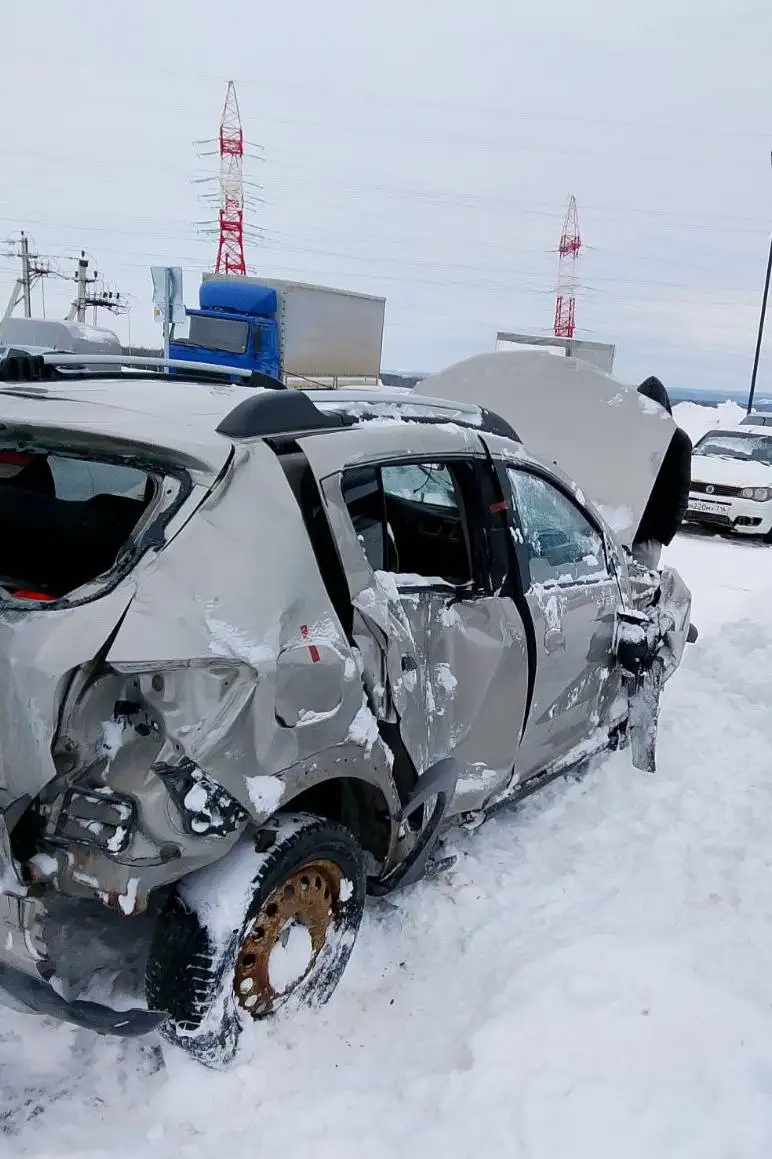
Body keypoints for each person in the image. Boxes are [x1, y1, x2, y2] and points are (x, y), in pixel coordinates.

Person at [631, 376, 692, 570]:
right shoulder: (626, 432)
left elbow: (678, 495)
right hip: (615, 529)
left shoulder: (677, 441)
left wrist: (659, 536)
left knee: (640, 592)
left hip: (647, 537)